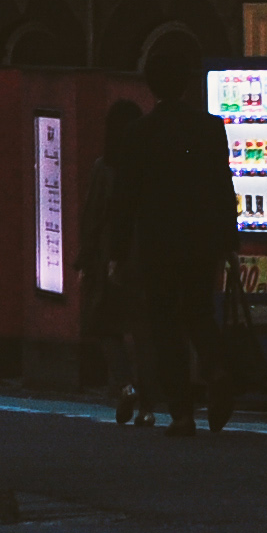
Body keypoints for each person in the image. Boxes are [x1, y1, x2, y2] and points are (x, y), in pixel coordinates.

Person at [131, 28, 239, 436]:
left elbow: (128, 195)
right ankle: (216, 368)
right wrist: (228, 240)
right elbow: (222, 185)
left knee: (163, 323)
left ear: (151, 85)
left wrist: (120, 251)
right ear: (187, 83)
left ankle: (181, 412)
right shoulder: (209, 128)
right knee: (198, 312)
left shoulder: (141, 132)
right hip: (201, 240)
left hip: (157, 241)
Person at [85, 97, 153, 427]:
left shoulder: (104, 167)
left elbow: (93, 216)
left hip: (110, 259)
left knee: (105, 326)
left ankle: (125, 385)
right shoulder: (150, 168)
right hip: (147, 257)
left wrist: (87, 258)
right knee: (144, 331)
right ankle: (148, 407)